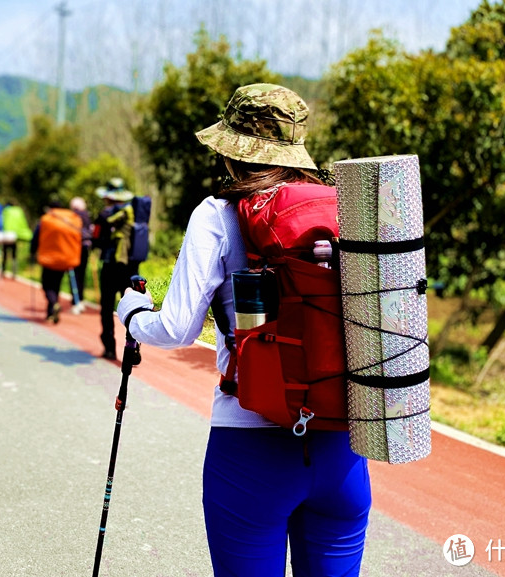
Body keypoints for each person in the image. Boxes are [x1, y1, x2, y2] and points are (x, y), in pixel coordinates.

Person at [115, 84, 372, 576]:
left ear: (232, 153)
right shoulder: (345, 211)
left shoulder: (217, 214)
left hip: (250, 448)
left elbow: (176, 328)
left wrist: (132, 315)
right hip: (342, 451)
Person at [96, 179, 138, 360]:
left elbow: (97, 237)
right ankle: (133, 348)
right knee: (133, 306)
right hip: (131, 267)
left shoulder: (105, 214)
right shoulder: (135, 211)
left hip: (110, 266)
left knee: (106, 307)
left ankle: (110, 347)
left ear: (108, 197)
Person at [30, 198, 83, 324]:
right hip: (66, 259)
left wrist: (32, 251)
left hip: (49, 258)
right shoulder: (71, 218)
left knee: (47, 285)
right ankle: (50, 313)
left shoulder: (47, 219)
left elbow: (36, 236)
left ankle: (54, 304)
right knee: (57, 285)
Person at [68, 196, 93, 314]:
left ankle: (76, 302)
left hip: (74, 248)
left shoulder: (73, 216)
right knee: (81, 274)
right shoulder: (87, 216)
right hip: (85, 248)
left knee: (73, 275)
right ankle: (81, 300)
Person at [1, 200, 33, 279]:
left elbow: (1, 222)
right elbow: (22, 223)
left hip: (6, 235)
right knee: (14, 254)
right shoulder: (19, 211)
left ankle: (3, 271)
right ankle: (14, 272)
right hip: (15, 235)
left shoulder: (5, 211)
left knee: (4, 254)